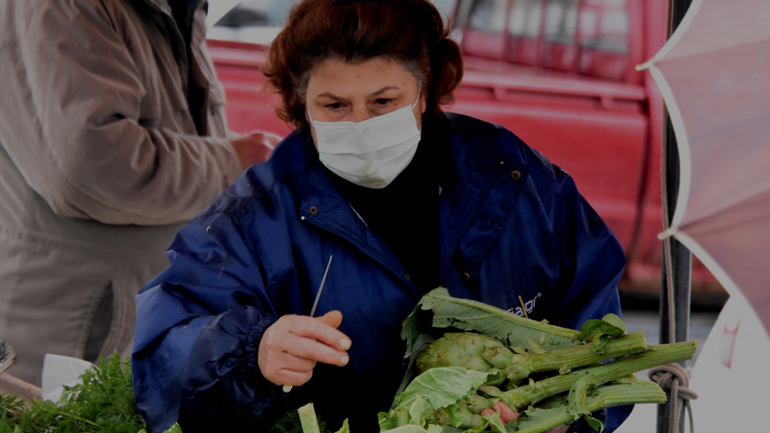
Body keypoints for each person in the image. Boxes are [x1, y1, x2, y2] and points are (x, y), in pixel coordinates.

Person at [131, 0, 632, 432]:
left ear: (425, 87)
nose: (361, 125)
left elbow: (597, 327)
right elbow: (164, 349)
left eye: (383, 101)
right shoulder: (256, 217)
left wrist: (554, 416)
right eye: (334, 105)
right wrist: (253, 349)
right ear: (300, 103)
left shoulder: (518, 181)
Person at [0, 0, 277, 386]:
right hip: (65, 330)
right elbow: (87, 167)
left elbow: (176, 132)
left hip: (130, 315)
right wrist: (233, 161)